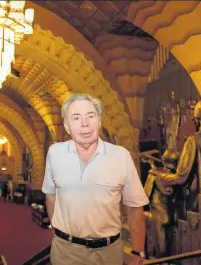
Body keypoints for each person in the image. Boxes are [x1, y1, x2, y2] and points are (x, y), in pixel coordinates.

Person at [42, 94, 149, 265]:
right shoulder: (55, 153)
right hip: (65, 252)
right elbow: (50, 196)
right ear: (67, 126)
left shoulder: (120, 156)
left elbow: (135, 207)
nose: (85, 123)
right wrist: (59, 233)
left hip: (108, 253)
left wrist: (137, 251)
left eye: (91, 116)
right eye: (76, 118)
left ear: (99, 121)